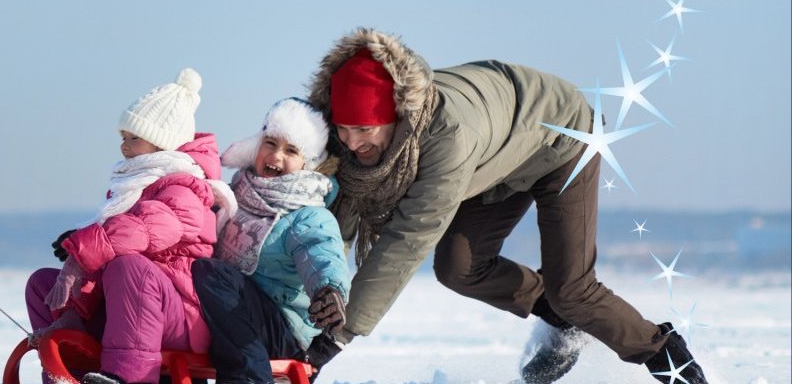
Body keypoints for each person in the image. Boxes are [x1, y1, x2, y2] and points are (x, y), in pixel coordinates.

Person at [301, 28, 707, 383]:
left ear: (394, 116)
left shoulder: (447, 138)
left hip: (562, 139)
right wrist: (320, 297)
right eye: (345, 130)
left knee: (573, 291)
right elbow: (336, 224)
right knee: (459, 267)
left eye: (365, 130)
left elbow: (407, 238)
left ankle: (664, 355)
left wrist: (339, 334)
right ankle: (563, 323)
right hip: (498, 157)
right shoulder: (363, 148)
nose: (354, 143)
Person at [25, 68, 229, 384]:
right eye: (123, 138)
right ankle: (70, 372)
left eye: (134, 138)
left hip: (179, 316)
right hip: (128, 309)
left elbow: (145, 227)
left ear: (164, 143)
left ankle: (128, 377)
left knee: (130, 267)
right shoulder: (132, 188)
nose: (124, 146)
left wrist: (83, 252)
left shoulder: (184, 188)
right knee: (43, 284)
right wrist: (80, 251)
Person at [191, 97, 349, 384]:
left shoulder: (307, 214)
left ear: (307, 163)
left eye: (290, 150)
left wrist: (328, 290)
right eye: (271, 143)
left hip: (281, 328)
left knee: (211, 272)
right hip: (228, 320)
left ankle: (251, 376)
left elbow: (319, 250)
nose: (276, 156)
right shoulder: (233, 196)